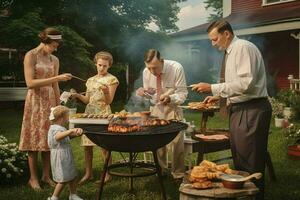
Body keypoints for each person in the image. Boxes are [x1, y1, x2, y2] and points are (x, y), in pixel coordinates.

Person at [191, 20, 272, 200]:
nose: (213, 44)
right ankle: (243, 195)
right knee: (241, 157)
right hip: (241, 108)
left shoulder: (242, 48)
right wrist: (220, 96)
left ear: (226, 33)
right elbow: (237, 85)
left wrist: (213, 88)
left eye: (215, 39)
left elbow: (245, 84)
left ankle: (253, 195)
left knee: (250, 160)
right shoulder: (231, 51)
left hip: (252, 109)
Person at [19, 27, 72, 190]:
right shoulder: (31, 56)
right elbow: (30, 83)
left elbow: (55, 85)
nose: (56, 48)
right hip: (35, 101)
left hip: (49, 100)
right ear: (45, 41)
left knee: (50, 138)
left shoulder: (54, 60)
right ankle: (33, 179)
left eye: (57, 46)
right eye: (54, 45)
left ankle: (46, 176)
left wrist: (58, 106)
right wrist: (56, 77)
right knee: (34, 140)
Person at [136, 49, 188, 181]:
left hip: (173, 108)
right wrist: (144, 94)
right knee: (157, 142)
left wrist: (170, 98)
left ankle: (178, 175)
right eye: (149, 68)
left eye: (155, 67)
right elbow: (151, 96)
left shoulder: (176, 68)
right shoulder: (146, 72)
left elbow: (183, 94)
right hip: (156, 110)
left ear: (162, 61)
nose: (152, 71)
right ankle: (161, 171)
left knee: (177, 143)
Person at [71, 51, 119, 184]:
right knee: (87, 145)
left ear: (109, 65)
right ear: (95, 64)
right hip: (89, 112)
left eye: (104, 65)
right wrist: (77, 96)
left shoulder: (112, 80)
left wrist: (106, 92)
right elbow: (87, 100)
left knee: (104, 145)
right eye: (99, 65)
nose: (101, 68)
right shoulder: (90, 80)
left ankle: (108, 173)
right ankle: (88, 173)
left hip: (103, 113)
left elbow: (109, 101)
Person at [47, 105, 83, 200]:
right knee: (63, 179)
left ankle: (73, 195)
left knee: (72, 175)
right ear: (61, 118)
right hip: (60, 156)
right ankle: (54, 197)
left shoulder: (60, 127)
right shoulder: (55, 128)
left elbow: (65, 137)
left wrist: (75, 135)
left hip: (65, 155)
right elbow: (58, 137)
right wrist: (71, 130)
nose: (69, 118)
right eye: (68, 116)